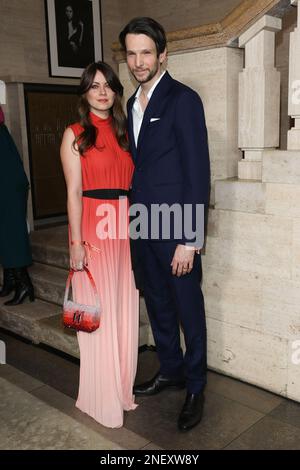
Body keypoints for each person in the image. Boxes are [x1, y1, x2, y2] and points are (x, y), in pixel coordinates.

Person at [119, 17, 210, 432]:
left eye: (146, 52)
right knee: (156, 304)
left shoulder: (183, 99)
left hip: (176, 230)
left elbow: (197, 172)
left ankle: (195, 386)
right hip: (142, 226)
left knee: (188, 309)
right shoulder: (130, 104)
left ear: (162, 55)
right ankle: (170, 370)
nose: (138, 61)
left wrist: (190, 240)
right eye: (132, 53)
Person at [60, 61, 139, 428]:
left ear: (116, 91)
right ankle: (99, 396)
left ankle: (121, 389)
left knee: (123, 309)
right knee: (100, 311)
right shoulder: (75, 134)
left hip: (125, 227)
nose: (103, 91)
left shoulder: (127, 133)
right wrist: (76, 242)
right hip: (93, 226)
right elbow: (73, 193)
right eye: (94, 86)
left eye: (108, 85)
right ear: (85, 92)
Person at [0, 105, 35, 306]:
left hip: (7, 179)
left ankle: (24, 284)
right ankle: (11, 279)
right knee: (6, 231)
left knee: (11, 231)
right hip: (7, 175)